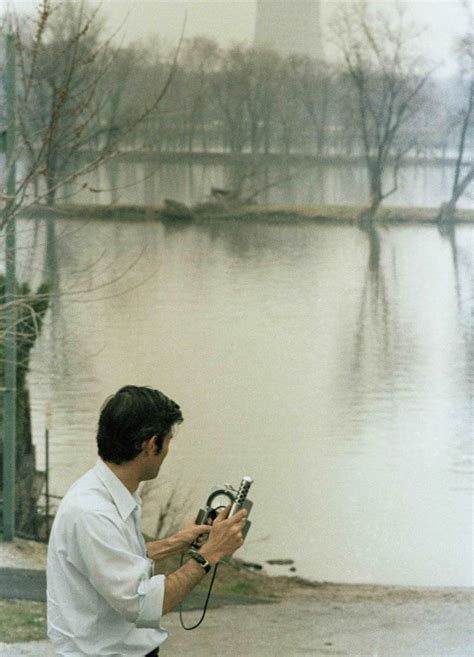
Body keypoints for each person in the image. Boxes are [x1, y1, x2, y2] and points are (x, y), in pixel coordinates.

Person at [47, 385, 246, 657]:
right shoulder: (93, 512)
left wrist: (177, 541)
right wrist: (209, 554)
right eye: (168, 443)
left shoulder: (106, 493)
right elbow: (142, 605)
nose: (167, 453)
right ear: (151, 445)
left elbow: (115, 559)